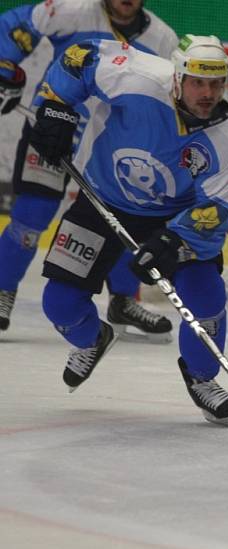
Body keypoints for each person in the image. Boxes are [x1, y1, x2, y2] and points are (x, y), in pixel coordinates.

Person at [29, 34, 228, 427]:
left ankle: (202, 379)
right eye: (198, 82)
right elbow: (77, 57)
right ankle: (93, 339)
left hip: (174, 217)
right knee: (60, 304)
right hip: (101, 197)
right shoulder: (136, 75)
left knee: (206, 297)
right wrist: (57, 107)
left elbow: (212, 213)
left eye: (216, 83)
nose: (207, 93)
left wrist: (174, 242)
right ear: (178, 77)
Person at [0, 0, 176, 342]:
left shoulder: (162, 40)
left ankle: (123, 301)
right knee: (32, 214)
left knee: (128, 220)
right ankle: (1, 291)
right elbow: (14, 24)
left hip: (111, 145)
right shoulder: (70, 9)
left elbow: (166, 98)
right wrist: (4, 66)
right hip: (52, 128)